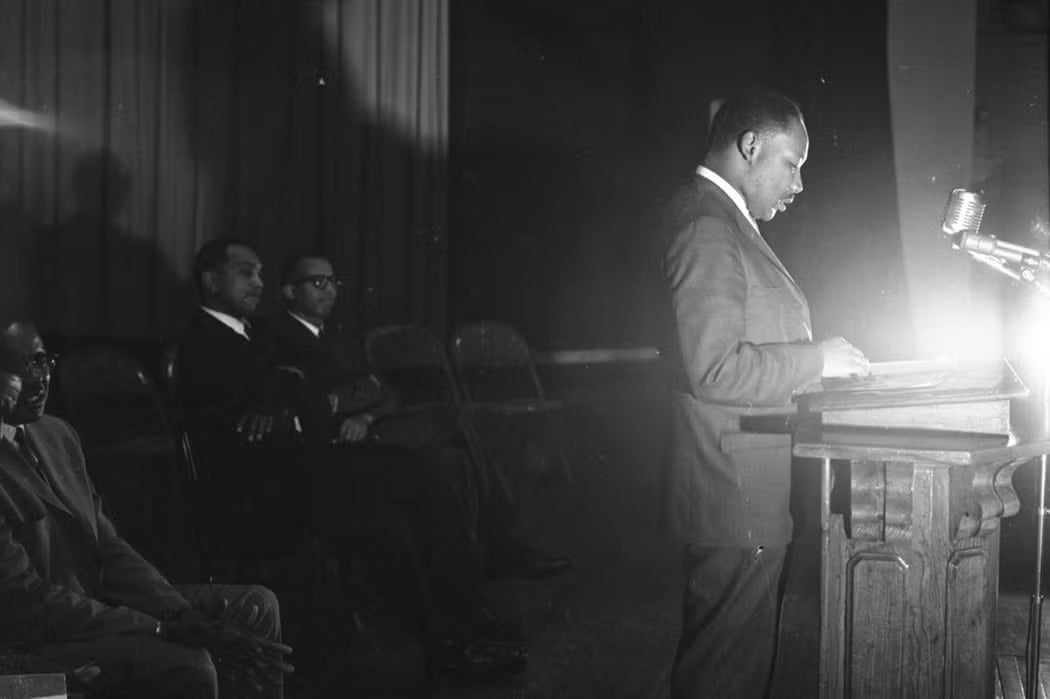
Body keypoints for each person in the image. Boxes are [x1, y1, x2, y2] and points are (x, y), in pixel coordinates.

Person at [177, 238, 527, 680]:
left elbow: (301, 389)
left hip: (309, 470)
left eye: (261, 273)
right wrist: (303, 403)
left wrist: (301, 399)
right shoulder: (202, 345)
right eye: (246, 272)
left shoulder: (255, 334)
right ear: (211, 281)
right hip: (269, 494)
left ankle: (459, 631)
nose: (259, 283)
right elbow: (246, 430)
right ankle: (455, 637)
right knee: (420, 478)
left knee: (423, 473)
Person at [659, 90, 870, 698]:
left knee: (734, 665)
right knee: (727, 671)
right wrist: (817, 359)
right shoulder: (705, 224)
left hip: (741, 486)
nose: (799, 183)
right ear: (750, 146)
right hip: (732, 491)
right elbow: (716, 369)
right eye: (792, 163)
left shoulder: (717, 217)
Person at [0, 319, 292, 698]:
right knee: (188, 663)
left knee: (257, 607)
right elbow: (26, 602)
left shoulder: (56, 433)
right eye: (20, 369)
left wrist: (177, 612)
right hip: (35, 639)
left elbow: (108, 547)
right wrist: (155, 626)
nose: (40, 380)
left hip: (99, 606)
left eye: (42, 361)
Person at [270, 252, 571, 580]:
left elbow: (381, 389)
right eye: (317, 283)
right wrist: (359, 397)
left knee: (454, 454)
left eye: (332, 282)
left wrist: (366, 414)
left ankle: (485, 554)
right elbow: (318, 400)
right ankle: (500, 548)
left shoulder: (339, 336)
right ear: (289, 292)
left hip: (369, 426)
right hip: (339, 443)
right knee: (452, 425)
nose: (329, 290)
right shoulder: (280, 340)